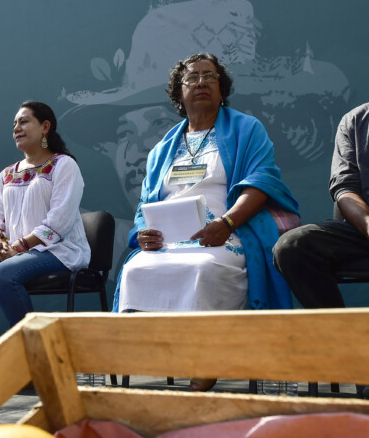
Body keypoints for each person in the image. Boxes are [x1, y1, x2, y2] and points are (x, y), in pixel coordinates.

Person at [113, 53, 300, 391]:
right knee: (134, 270)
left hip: (227, 233)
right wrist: (143, 233)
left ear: (221, 87)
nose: (200, 82)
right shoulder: (161, 149)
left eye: (209, 76)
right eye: (192, 78)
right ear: (178, 93)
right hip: (169, 241)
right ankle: (148, 366)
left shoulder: (246, 128)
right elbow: (146, 204)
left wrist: (227, 223)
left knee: (204, 268)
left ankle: (204, 362)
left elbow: (262, 182)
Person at [0, 101, 90, 348]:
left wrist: (17, 248)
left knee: (4, 275)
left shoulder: (64, 165)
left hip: (58, 250)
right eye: (14, 124)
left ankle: (34, 354)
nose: (17, 128)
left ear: (45, 127)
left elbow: (59, 220)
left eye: (24, 121)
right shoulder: (7, 173)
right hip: (15, 253)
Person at [273, 103, 369, 309]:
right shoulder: (356, 120)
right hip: (364, 230)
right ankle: (336, 336)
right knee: (292, 246)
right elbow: (345, 189)